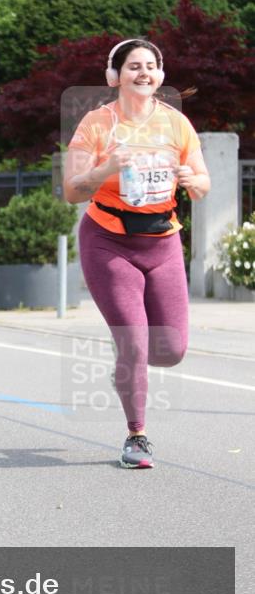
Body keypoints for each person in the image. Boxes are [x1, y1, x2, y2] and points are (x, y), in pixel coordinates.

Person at [63, 38, 210, 468]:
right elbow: (73, 190)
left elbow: (203, 185)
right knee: (135, 341)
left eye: (151, 66)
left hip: (163, 241)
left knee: (172, 349)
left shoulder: (177, 125)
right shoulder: (95, 123)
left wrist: (188, 178)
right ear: (114, 76)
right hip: (108, 240)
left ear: (161, 75)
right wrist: (106, 168)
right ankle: (137, 436)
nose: (143, 73)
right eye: (133, 67)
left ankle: (129, 367)